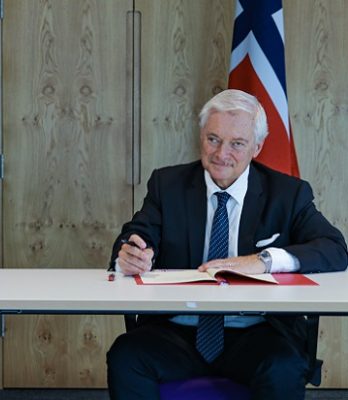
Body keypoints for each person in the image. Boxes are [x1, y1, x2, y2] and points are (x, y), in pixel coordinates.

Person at [106, 89, 348, 399]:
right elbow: (134, 237)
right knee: (126, 357)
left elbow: (335, 248)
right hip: (176, 329)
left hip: (256, 331)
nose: (222, 154)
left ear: (257, 147)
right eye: (213, 139)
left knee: (283, 365)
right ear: (201, 137)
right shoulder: (167, 185)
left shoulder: (287, 194)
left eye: (237, 144)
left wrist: (263, 261)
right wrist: (129, 255)